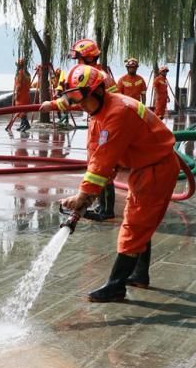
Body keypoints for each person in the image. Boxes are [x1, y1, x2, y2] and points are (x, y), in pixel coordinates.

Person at [41, 64, 179, 302]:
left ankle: (116, 286)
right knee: (139, 220)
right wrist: (88, 194)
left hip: (156, 169)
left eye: (82, 99)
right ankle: (138, 275)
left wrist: (83, 195)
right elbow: (98, 158)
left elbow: (104, 159)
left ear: (98, 91)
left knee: (135, 223)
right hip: (143, 166)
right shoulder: (98, 113)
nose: (80, 105)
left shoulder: (118, 113)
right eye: (74, 100)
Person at [53, 38, 118, 221]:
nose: (77, 62)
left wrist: (52, 105)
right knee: (97, 164)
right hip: (98, 121)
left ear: (86, 58)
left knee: (102, 165)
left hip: (102, 124)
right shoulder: (100, 74)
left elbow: (73, 99)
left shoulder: (91, 76)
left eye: (78, 58)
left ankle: (105, 210)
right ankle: (101, 207)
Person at [9, 58, 33, 132]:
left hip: (21, 95)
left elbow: (18, 85)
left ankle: (27, 125)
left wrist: (16, 94)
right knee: (23, 111)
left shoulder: (20, 73)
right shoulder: (28, 74)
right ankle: (22, 125)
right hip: (26, 94)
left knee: (21, 111)